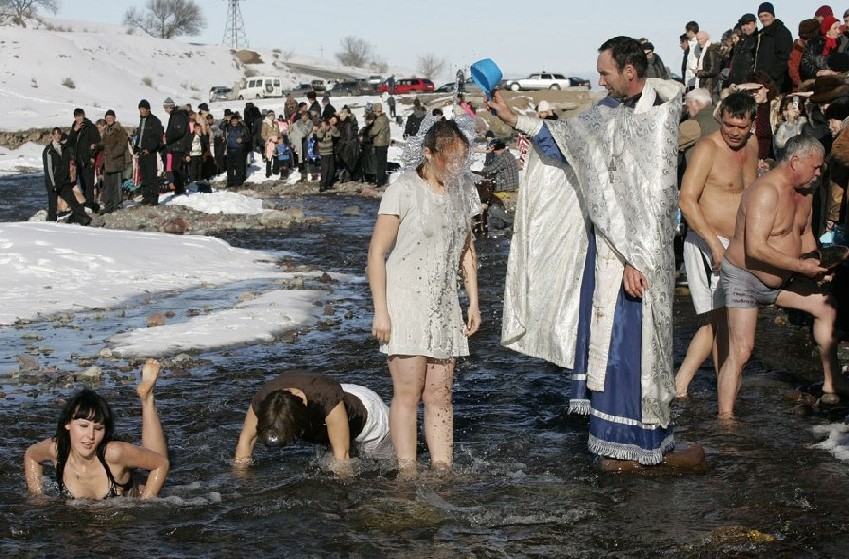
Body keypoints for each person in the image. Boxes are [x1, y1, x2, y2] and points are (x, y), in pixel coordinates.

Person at [492, 36, 704, 470]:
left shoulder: (659, 118)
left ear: (630, 70)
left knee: (634, 348)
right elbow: (568, 144)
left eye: (605, 72)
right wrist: (514, 117)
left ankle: (641, 442)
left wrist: (635, 258)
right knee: (606, 345)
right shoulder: (605, 112)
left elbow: (655, 198)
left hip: (639, 254)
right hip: (604, 246)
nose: (600, 80)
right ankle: (609, 439)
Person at [367, 119, 481, 476]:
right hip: (405, 302)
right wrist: (380, 312)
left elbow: (466, 249)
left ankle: (443, 471)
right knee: (409, 393)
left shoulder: (463, 192)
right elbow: (376, 253)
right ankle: (407, 471)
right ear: (428, 154)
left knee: (440, 396)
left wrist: (473, 300)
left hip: (444, 304)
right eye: (449, 159)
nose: (456, 167)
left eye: (461, 160)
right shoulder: (402, 189)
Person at [715, 135, 849, 418]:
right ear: (795, 161)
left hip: (785, 277)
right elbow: (756, 248)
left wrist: (817, 264)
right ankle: (725, 419)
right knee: (742, 350)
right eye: (815, 167)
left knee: (826, 307)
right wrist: (803, 268)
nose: (818, 173)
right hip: (745, 278)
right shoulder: (766, 192)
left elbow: (805, 233)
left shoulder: (806, 192)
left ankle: (831, 383)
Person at [675, 93, 759, 398]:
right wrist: (714, 245)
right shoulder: (708, 148)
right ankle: (712, 391)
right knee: (721, 318)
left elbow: (750, 195)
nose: (734, 132)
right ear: (720, 118)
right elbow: (686, 200)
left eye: (741, 126)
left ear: (752, 123)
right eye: (728, 125)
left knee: (722, 319)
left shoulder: (752, 145)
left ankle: (685, 384)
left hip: (736, 244)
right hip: (706, 240)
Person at [24, 359, 169, 500]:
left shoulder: (115, 454)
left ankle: (147, 398)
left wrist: (147, 501)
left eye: (98, 428)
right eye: (83, 426)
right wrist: (37, 495)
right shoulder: (57, 449)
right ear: (67, 424)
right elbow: (31, 455)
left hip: (135, 489)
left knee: (154, 460)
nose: (90, 436)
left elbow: (161, 464)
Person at [233, 371, 392, 473]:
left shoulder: (326, 399)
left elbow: (342, 457)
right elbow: (246, 441)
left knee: (386, 467)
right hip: (333, 401)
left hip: (368, 417)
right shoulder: (264, 401)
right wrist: (242, 479)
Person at [42, 128, 91, 225]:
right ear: (52, 135)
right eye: (55, 134)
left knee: (73, 201)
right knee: (53, 206)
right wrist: (53, 184)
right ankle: (51, 224)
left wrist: (69, 178)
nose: (57, 136)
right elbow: (49, 170)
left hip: (64, 182)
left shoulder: (64, 148)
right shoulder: (48, 150)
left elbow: (69, 165)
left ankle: (85, 219)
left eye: (59, 134)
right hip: (53, 183)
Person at [754, 2, 793, 93]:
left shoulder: (782, 32)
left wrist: (770, 77)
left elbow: (785, 57)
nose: (763, 18)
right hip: (761, 83)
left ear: (772, 15)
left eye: (766, 15)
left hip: (777, 83)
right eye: (761, 16)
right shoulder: (760, 35)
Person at [67, 108, 101, 212]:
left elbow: (97, 143)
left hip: (87, 159)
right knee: (82, 183)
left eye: (80, 116)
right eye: (76, 116)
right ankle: (86, 202)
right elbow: (69, 143)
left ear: (84, 115)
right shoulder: (75, 127)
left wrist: (92, 156)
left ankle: (89, 205)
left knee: (89, 183)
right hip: (78, 161)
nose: (78, 118)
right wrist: (74, 131)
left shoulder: (90, 127)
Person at [134, 99, 164, 206]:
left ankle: (154, 198)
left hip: (150, 153)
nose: (141, 111)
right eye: (140, 109)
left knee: (152, 176)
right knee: (144, 175)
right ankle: (146, 196)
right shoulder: (142, 121)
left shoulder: (155, 121)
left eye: (143, 109)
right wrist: (136, 147)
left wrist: (149, 149)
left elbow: (158, 138)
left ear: (148, 110)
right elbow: (140, 136)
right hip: (141, 152)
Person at [99, 109, 128, 213]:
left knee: (117, 185)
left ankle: (118, 205)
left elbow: (122, 145)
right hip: (107, 163)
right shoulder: (107, 131)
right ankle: (109, 205)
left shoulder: (120, 130)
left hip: (116, 162)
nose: (109, 119)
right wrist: (96, 146)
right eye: (107, 118)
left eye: (110, 118)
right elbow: (103, 144)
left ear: (114, 118)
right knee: (108, 186)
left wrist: (112, 154)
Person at [163, 98, 191, 196]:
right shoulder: (177, 115)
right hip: (177, 145)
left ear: (169, 107)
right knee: (176, 168)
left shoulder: (178, 115)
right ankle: (179, 190)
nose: (164, 110)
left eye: (165, 107)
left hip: (178, 146)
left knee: (176, 169)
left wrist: (168, 138)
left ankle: (180, 190)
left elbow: (178, 131)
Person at [729, 14, 758, 85]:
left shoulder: (759, 40)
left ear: (755, 24)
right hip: (735, 84)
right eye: (743, 25)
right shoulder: (739, 43)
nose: (745, 27)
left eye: (748, 24)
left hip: (750, 84)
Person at [315, 116, 340, 191]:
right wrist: (323, 130)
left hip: (330, 152)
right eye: (322, 125)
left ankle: (329, 183)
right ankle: (322, 185)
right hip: (324, 153)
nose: (324, 127)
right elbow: (319, 136)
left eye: (325, 125)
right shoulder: (320, 131)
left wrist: (332, 127)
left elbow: (337, 134)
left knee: (331, 169)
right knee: (325, 169)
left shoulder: (330, 130)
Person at [369, 103, 391, 187]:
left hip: (379, 143)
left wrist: (369, 132)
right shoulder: (385, 118)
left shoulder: (379, 120)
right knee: (383, 162)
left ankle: (379, 181)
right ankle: (382, 179)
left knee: (379, 163)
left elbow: (374, 132)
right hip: (385, 142)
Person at [225, 113, 249, 187]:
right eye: (232, 121)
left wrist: (242, 139)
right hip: (230, 149)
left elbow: (248, 138)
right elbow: (220, 126)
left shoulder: (243, 128)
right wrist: (225, 120)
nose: (234, 122)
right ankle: (230, 182)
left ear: (237, 121)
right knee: (229, 167)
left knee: (239, 166)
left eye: (235, 121)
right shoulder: (228, 126)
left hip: (239, 149)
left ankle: (238, 182)